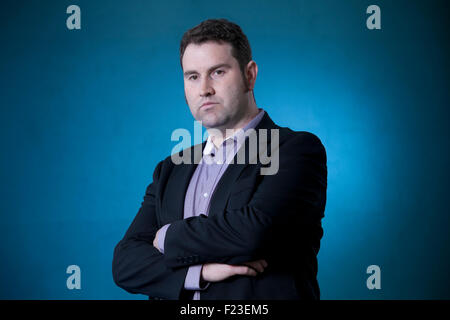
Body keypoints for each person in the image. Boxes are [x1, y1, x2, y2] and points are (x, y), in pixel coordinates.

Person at [112, 18, 327, 300]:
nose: (204, 89)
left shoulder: (295, 150)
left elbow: (254, 232)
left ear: (249, 75)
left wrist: (166, 236)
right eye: (193, 76)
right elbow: (125, 263)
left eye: (217, 72)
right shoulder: (170, 169)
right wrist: (199, 273)